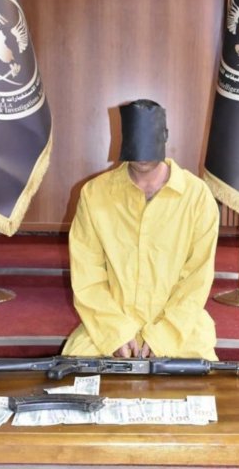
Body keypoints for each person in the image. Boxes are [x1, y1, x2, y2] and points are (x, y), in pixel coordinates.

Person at [62, 99, 219, 360]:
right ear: (123, 137)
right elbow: (87, 276)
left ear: (165, 136)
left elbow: (197, 279)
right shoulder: (94, 195)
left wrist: (164, 338)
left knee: (200, 381)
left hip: (180, 330)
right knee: (75, 377)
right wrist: (115, 334)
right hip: (106, 327)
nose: (143, 154)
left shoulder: (197, 197)